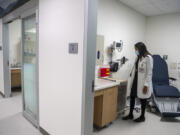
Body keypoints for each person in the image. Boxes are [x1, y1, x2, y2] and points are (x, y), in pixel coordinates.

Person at [122, 42, 153, 122]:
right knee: (132, 96)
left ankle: (142, 117)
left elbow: (149, 73)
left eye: (136, 49)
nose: (135, 51)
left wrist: (146, 85)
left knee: (143, 99)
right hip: (135, 80)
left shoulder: (148, 58)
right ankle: (130, 114)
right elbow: (136, 68)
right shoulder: (138, 57)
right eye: (135, 49)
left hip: (143, 82)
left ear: (140, 49)